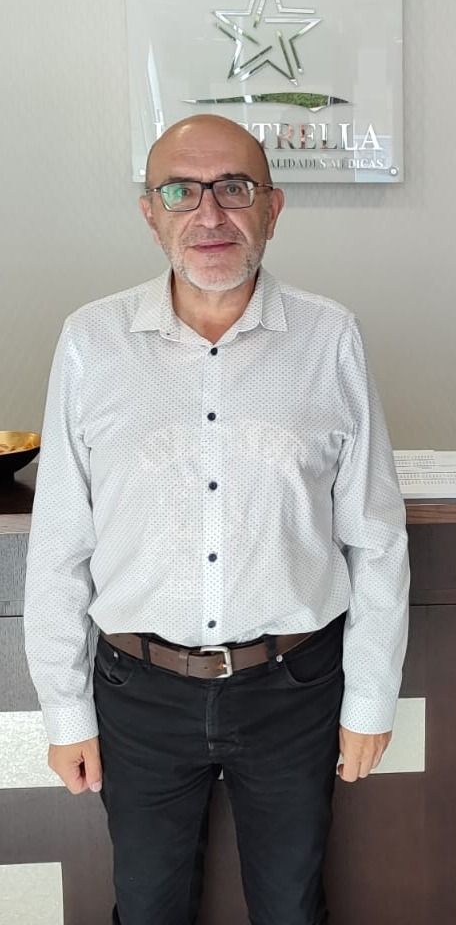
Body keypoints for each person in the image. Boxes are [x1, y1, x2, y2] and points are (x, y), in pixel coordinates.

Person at [24, 114, 410, 925]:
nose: (209, 214)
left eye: (233, 188)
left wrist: (370, 701)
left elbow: (374, 536)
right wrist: (64, 711)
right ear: (150, 212)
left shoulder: (330, 338)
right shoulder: (91, 342)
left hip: (294, 687)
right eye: (181, 191)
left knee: (291, 907)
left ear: (272, 208)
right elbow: (60, 541)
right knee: (148, 908)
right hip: (137, 692)